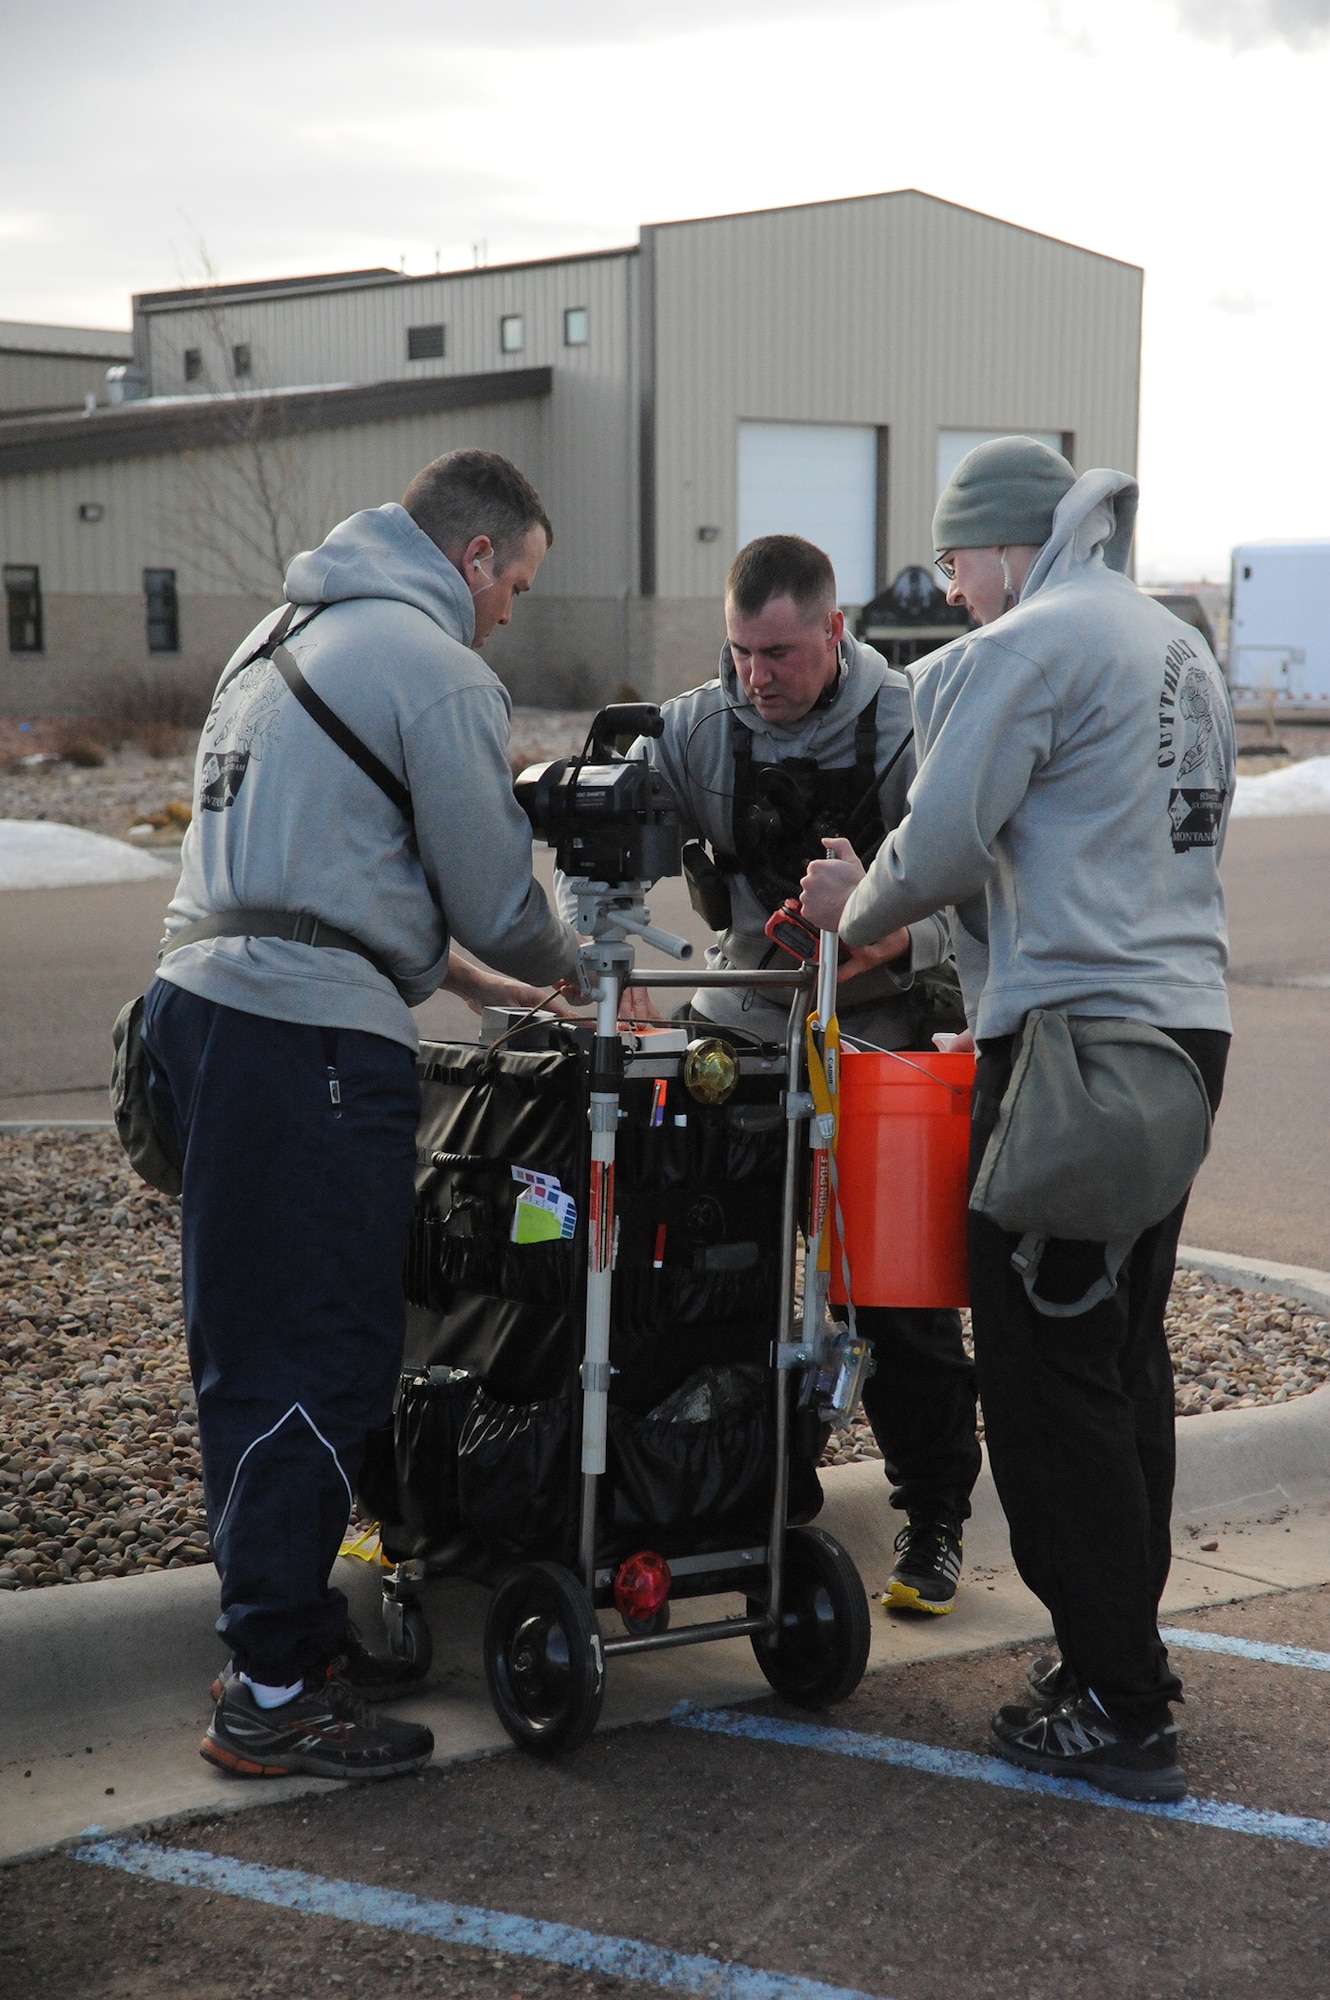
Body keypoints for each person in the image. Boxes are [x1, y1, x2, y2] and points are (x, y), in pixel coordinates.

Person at [801, 437, 1233, 1801]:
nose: (952, 592)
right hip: (1176, 1038)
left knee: (1045, 1386)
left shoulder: (1028, 643)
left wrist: (847, 914)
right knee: (1115, 1361)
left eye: (951, 562)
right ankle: (1117, 1654)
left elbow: (936, 843)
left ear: (999, 547)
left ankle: (1116, 1705)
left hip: (1064, 1048)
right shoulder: (1170, 645)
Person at [142, 449, 582, 1781]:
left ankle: (276, 1637)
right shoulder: (436, 667)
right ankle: (272, 1694)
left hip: (199, 1013)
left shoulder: (281, 634)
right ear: (471, 555)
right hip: (306, 1042)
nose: (510, 608)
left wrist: (483, 981)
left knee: (250, 1341)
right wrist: (586, 964)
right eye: (515, 578)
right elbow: (497, 898)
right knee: (325, 1354)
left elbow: (328, 871)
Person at [617, 533, 983, 1614]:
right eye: (739, 653)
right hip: (746, 1028)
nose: (754, 677)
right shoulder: (691, 729)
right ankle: (746, 1490)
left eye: (777, 652)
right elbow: (601, 863)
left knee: (899, 1298)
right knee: (714, 1276)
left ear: (834, 628)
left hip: (884, 1038)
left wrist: (881, 940)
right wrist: (603, 955)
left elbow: (984, 899)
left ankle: (933, 1521)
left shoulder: (919, 720)